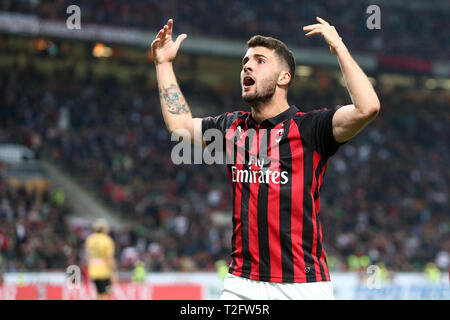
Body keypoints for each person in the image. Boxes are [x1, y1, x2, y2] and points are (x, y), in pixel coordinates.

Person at [151, 18, 380, 300]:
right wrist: (163, 64)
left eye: (260, 61)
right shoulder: (231, 128)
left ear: (284, 78)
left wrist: (339, 48)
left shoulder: (310, 127)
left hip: (303, 286)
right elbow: (180, 125)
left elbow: (367, 108)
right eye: (246, 61)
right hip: (241, 283)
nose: (247, 66)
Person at [85, 218, 117, 300]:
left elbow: (87, 256)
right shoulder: (107, 240)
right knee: (105, 294)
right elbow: (109, 257)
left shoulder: (89, 239)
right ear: (103, 229)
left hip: (92, 271)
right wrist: (113, 272)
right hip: (103, 271)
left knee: (99, 293)